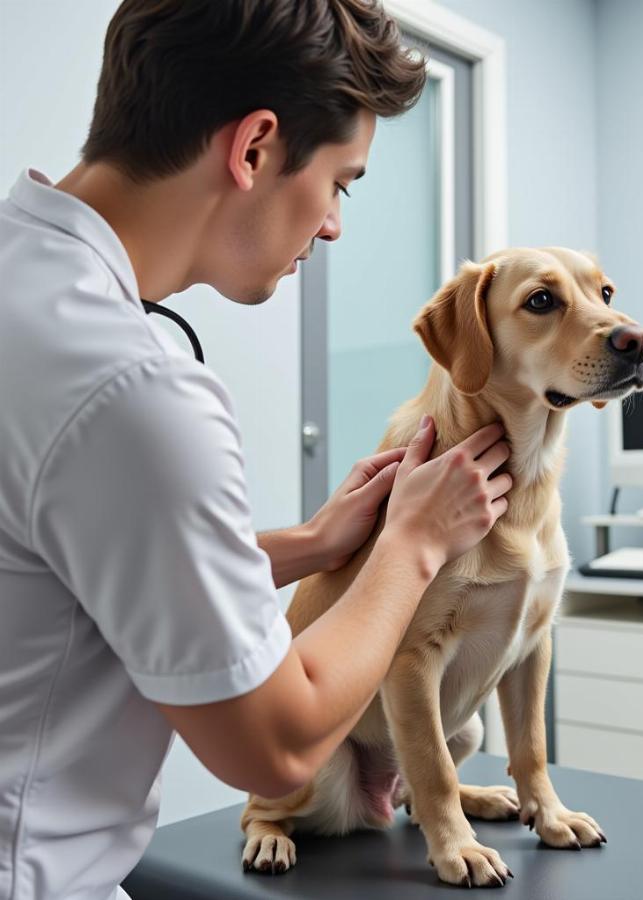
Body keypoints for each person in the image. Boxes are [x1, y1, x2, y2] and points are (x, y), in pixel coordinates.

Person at [0, 2, 513, 899]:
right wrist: (412, 546)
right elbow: (274, 746)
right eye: (341, 184)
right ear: (255, 149)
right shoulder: (133, 390)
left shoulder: (27, 292)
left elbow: (55, 567)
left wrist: (311, 546)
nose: (333, 227)